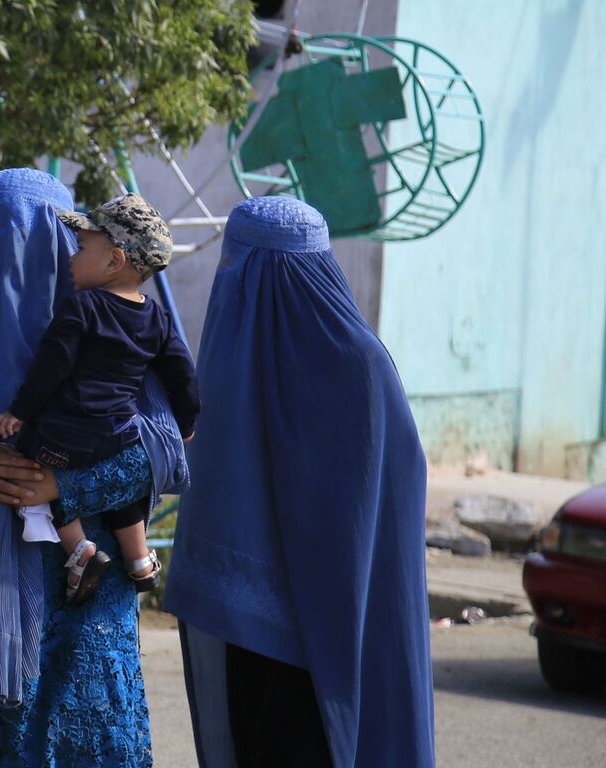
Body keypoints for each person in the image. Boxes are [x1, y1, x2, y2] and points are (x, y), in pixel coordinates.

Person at [0, 168, 189, 766]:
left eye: (34, 240)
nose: (12, 260)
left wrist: (62, 485)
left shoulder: (114, 327)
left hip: (88, 609)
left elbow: (162, 449)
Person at [164, 196, 433, 768]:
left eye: (238, 263)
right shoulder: (238, 355)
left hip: (325, 646)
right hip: (245, 633)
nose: (228, 279)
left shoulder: (359, 367)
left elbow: (385, 502)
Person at [0, 194, 199, 603]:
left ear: (114, 260)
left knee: (32, 463)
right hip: (120, 430)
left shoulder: (81, 308)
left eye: (82, 247)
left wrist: (19, 412)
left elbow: (52, 366)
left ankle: (79, 550)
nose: (72, 255)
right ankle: (139, 558)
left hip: (66, 430)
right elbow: (183, 374)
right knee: (128, 492)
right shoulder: (157, 317)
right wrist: (186, 425)